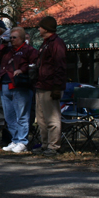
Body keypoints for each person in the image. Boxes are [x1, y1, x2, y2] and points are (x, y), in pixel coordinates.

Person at [0, 27, 38, 153]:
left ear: (22, 38)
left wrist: (22, 70)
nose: (12, 40)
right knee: (9, 116)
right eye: (11, 37)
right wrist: (3, 44)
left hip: (20, 85)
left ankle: (22, 141)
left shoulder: (29, 50)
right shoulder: (7, 51)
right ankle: (15, 139)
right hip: (4, 84)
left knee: (22, 115)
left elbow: (35, 65)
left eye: (14, 37)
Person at [34, 16, 66, 156]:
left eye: (40, 27)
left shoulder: (56, 43)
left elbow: (60, 66)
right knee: (41, 119)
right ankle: (45, 144)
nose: (38, 29)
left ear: (46, 29)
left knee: (52, 117)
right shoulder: (46, 43)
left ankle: (54, 146)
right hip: (41, 84)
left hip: (50, 85)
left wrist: (57, 86)